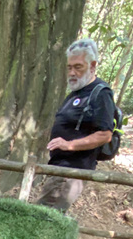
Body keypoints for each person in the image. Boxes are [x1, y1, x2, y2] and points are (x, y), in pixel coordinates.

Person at [32, 38, 114, 212]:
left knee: (43, 219)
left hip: (71, 172)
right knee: (48, 218)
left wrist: (69, 145)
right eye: (69, 67)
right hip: (60, 168)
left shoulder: (101, 93)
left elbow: (105, 134)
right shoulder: (77, 92)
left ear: (92, 66)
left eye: (78, 67)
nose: (72, 72)